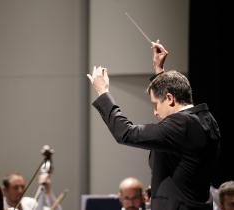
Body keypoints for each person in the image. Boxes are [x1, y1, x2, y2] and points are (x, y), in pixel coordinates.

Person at [87, 40, 221, 210]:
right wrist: (159, 72)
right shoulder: (205, 119)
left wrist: (103, 92)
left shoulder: (182, 125)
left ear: (171, 98)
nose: (155, 112)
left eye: (155, 104)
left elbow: (126, 133)